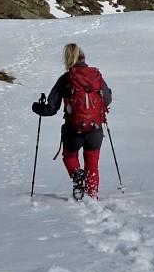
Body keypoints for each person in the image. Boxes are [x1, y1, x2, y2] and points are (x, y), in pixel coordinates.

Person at [32, 43, 112, 199]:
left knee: (69, 157)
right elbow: (107, 99)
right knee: (92, 166)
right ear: (84, 58)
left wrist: (38, 108)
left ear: (67, 60)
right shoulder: (96, 76)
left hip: (73, 129)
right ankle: (92, 197)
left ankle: (77, 176)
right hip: (95, 129)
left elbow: (51, 108)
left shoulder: (66, 79)